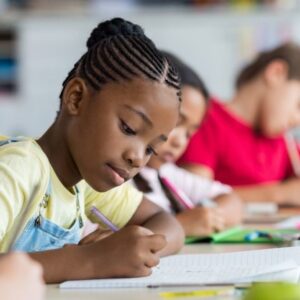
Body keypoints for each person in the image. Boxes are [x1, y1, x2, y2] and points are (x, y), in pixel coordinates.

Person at [0, 18, 184, 283]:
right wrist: (92, 260)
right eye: (129, 128)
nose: (137, 158)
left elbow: (167, 222)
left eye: (151, 149)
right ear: (76, 98)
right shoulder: (18, 170)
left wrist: (138, 250)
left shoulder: (82, 183)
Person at [133, 51, 242, 237]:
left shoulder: (165, 174)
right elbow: (120, 239)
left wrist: (206, 216)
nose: (180, 141)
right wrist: (181, 226)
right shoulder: (117, 180)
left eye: (189, 133)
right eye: (176, 123)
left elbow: (234, 202)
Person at [178, 43, 300, 205]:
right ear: (276, 73)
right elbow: (194, 198)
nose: (298, 120)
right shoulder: (205, 118)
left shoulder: (282, 141)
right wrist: (280, 194)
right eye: (298, 105)